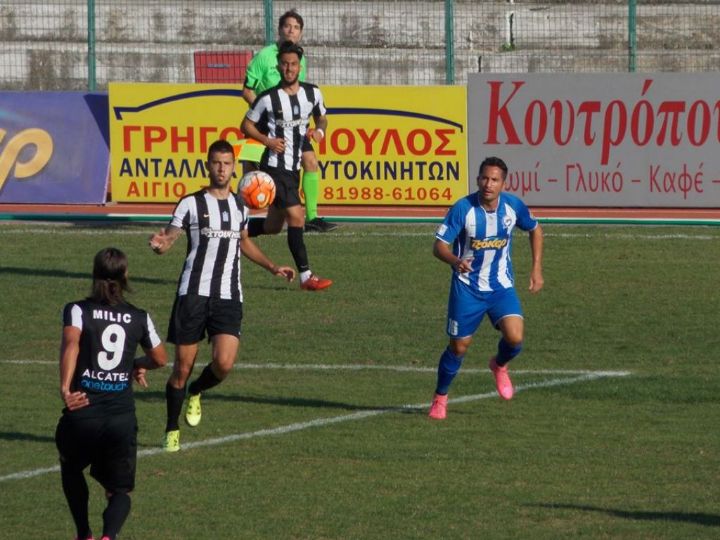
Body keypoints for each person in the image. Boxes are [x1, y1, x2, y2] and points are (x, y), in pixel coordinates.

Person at [149, 139, 296, 452]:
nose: (221, 169)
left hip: (228, 295)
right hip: (192, 294)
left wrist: (273, 267)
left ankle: (197, 390)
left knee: (224, 363)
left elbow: (243, 241)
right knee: (181, 369)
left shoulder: (240, 206)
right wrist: (161, 245)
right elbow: (170, 237)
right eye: (216, 163)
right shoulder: (190, 203)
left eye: (227, 164)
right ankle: (171, 429)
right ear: (208, 165)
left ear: (233, 168)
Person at [55, 247, 168, 540]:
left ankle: (84, 533)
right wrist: (136, 365)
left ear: (94, 274)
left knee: (71, 469)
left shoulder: (77, 310)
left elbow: (71, 344)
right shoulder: (139, 317)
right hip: (121, 419)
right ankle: (109, 536)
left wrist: (66, 389)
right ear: (125, 275)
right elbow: (160, 358)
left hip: (82, 413)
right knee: (119, 491)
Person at [428, 156, 544, 420]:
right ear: (477, 179)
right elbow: (439, 246)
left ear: (503, 183)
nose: (488, 184)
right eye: (484, 178)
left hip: (501, 287)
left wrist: (536, 269)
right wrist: (455, 261)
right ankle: (440, 397)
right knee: (459, 347)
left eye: (494, 180)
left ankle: (499, 365)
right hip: (467, 288)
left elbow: (535, 230)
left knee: (515, 338)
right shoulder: (463, 209)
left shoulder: (513, 206)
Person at [241, 41, 333, 291]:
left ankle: (233, 231)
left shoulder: (312, 93)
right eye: (284, 64)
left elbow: (322, 118)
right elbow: (246, 125)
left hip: (293, 169)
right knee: (296, 216)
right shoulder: (267, 98)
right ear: (279, 66)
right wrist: (267, 141)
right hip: (274, 167)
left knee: (272, 226)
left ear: (299, 67)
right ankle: (306, 276)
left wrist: (320, 132)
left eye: (293, 64)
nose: (289, 68)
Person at [242, 9, 338, 233]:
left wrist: (315, 128)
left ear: (301, 33)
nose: (291, 31)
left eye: (296, 27)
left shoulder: (300, 58)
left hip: (292, 127)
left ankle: (312, 217)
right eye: (287, 26)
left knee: (310, 161)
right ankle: (239, 217)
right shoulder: (264, 56)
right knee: (251, 171)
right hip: (266, 125)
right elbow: (247, 91)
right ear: (279, 30)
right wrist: (265, 111)